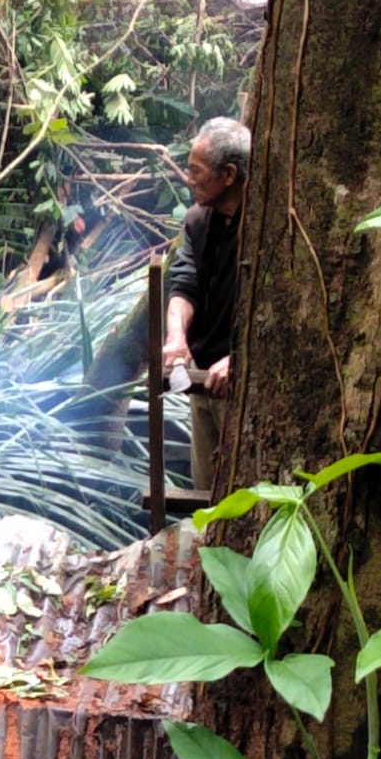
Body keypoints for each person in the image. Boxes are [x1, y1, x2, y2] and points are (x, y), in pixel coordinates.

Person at [163, 115, 250, 493]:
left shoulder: (270, 228)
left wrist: (242, 358)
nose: (188, 178)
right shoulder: (199, 221)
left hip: (245, 388)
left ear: (228, 175)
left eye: (197, 170)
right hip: (202, 381)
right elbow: (184, 283)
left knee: (244, 498)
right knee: (206, 496)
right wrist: (176, 337)